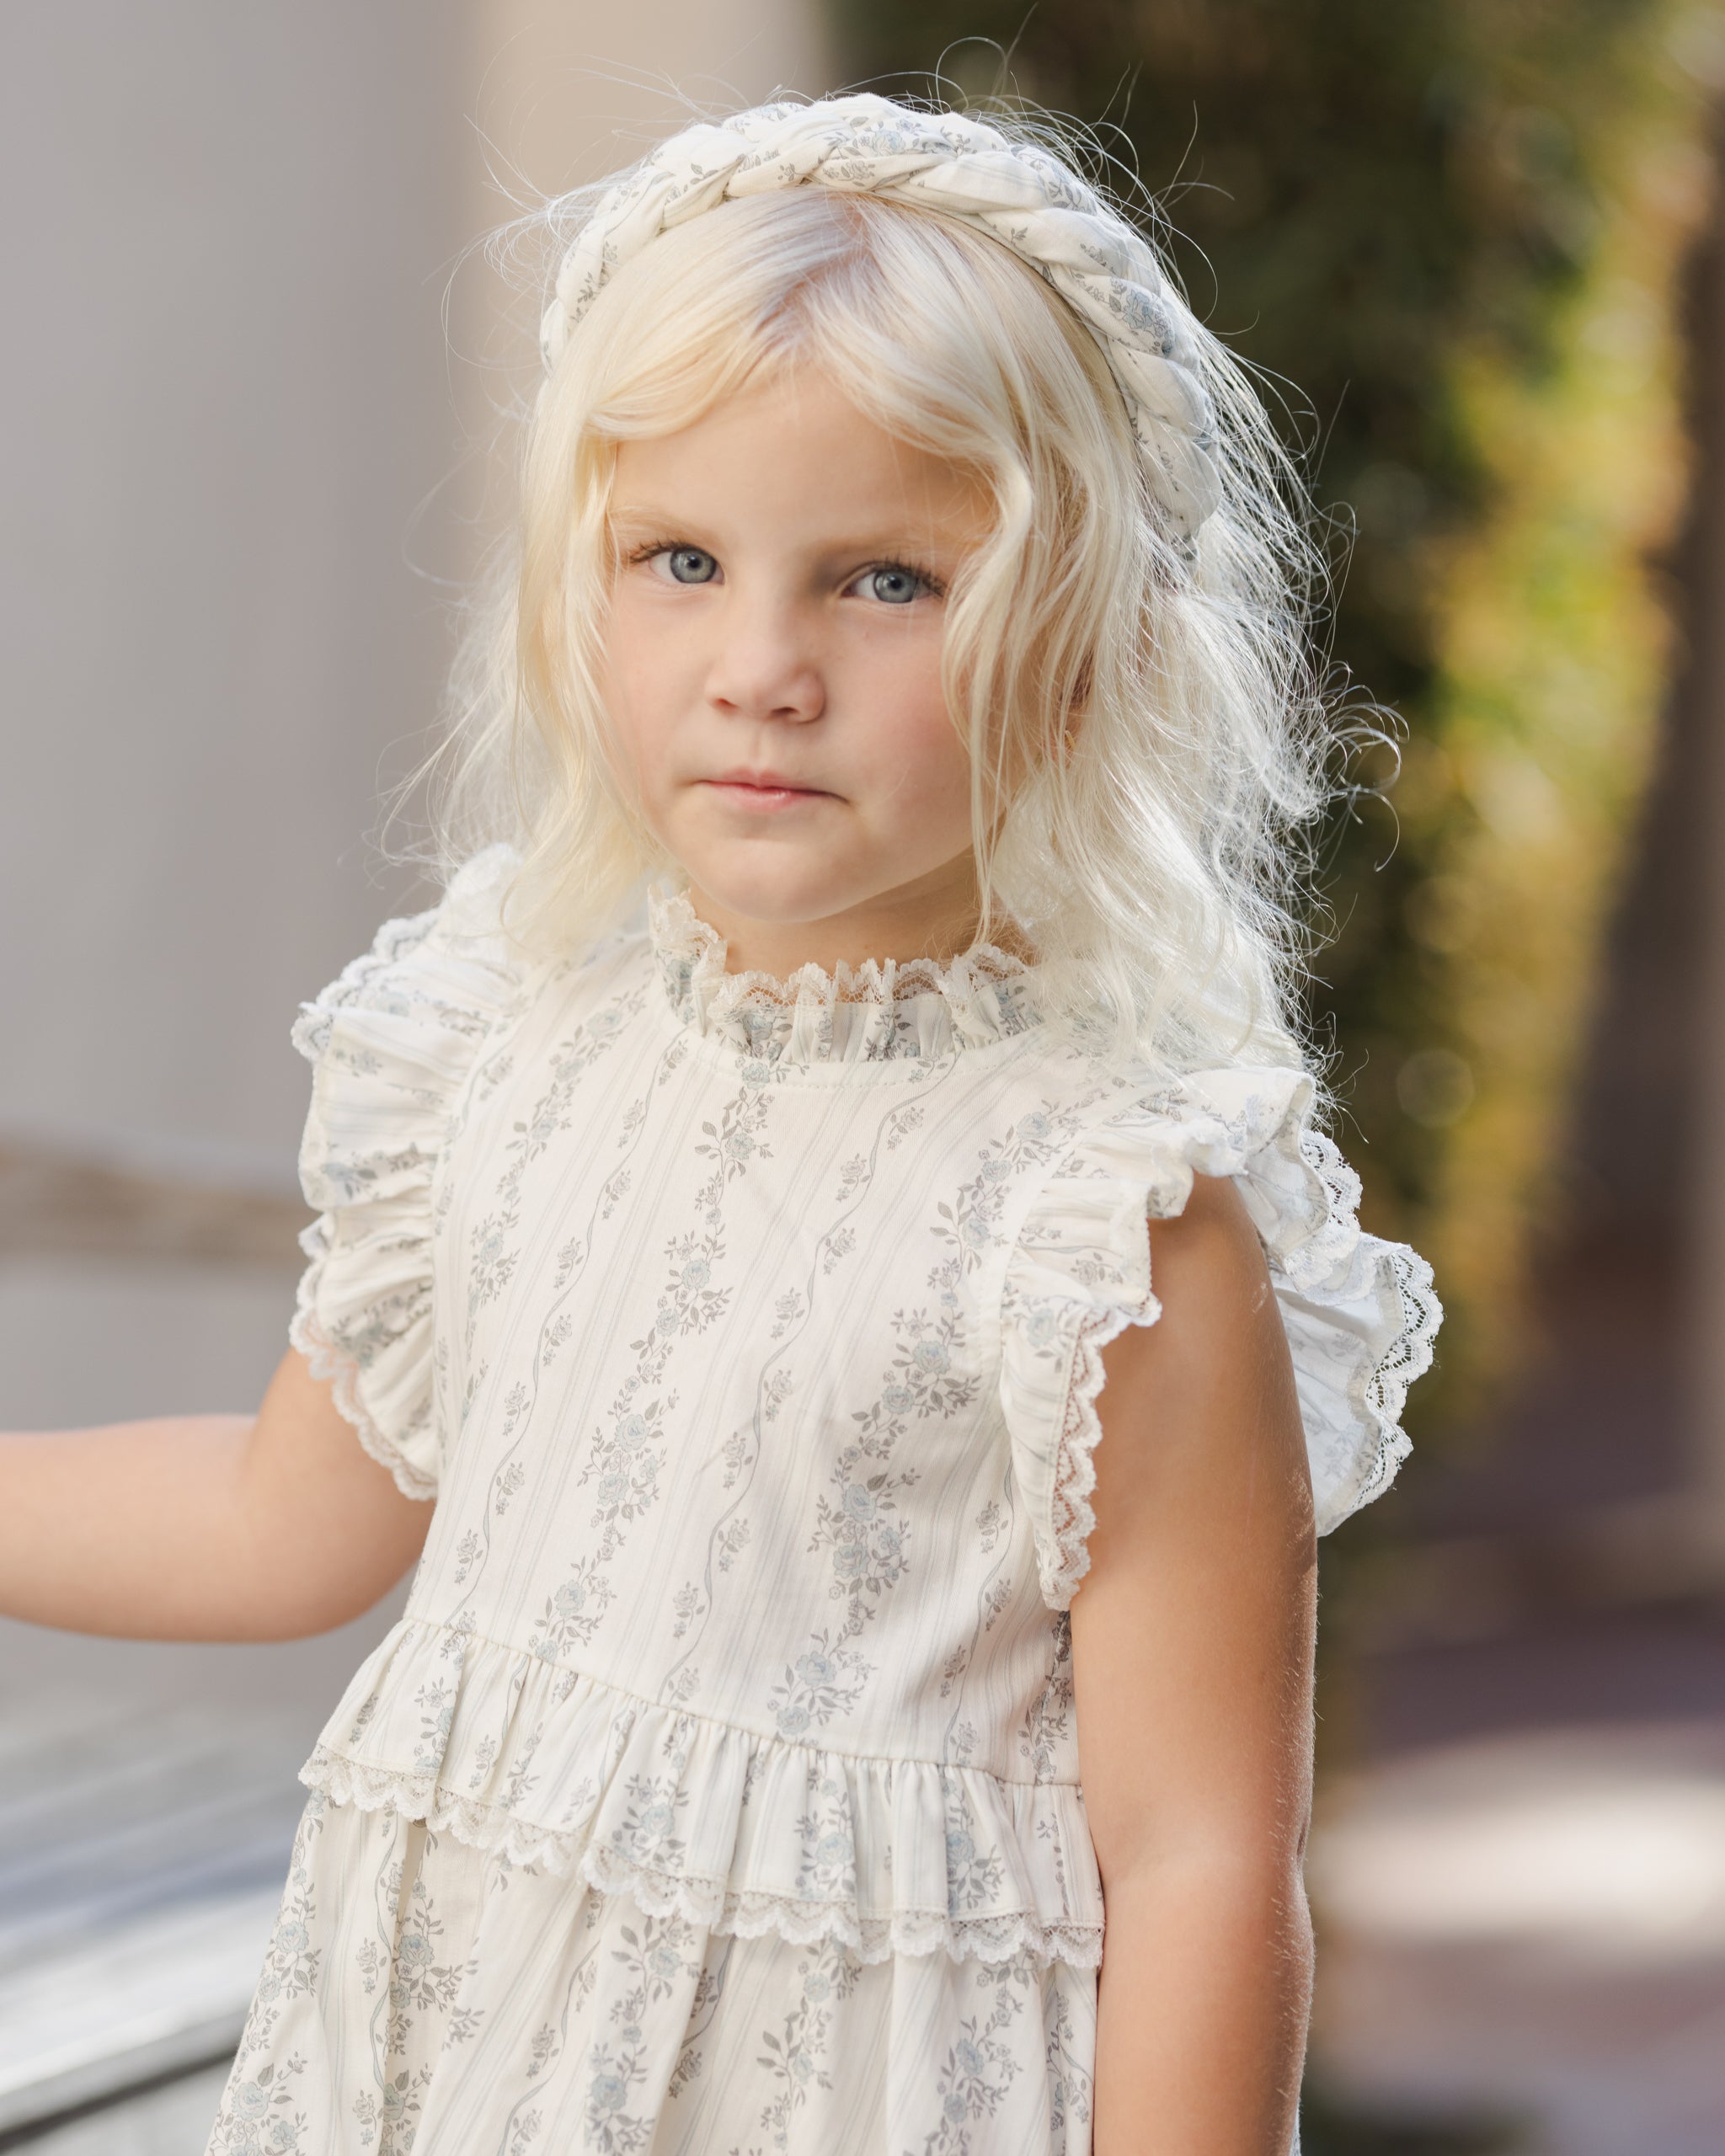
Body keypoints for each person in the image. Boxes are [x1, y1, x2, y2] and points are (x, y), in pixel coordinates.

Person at [0, 93, 1439, 2156]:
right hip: (453, 2054)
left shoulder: (1102, 1216)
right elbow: (278, 1513)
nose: (762, 667)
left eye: (882, 579)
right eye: (680, 558)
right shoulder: (500, 1041)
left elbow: (1202, 1849)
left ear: (1084, 652)